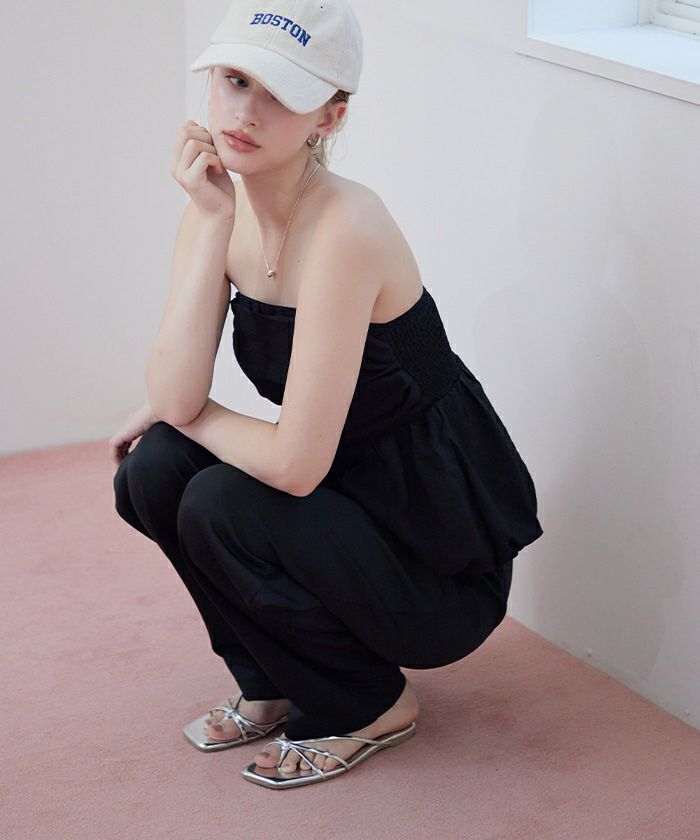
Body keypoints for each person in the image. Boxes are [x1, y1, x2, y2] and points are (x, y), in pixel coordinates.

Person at [110, 0, 543, 790]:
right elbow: (174, 398)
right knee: (153, 470)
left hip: (431, 559)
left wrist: (193, 416)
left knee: (216, 497)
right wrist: (212, 222)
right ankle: (271, 680)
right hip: (338, 513)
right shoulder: (216, 206)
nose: (244, 113)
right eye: (235, 80)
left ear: (329, 117)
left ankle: (370, 704)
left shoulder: (347, 227)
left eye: (280, 93)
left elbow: (291, 464)